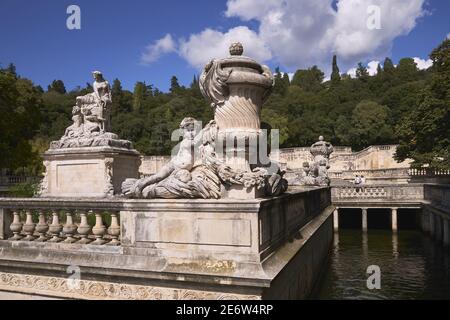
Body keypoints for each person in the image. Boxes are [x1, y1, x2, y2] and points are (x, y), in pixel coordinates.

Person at [122, 117, 196, 198]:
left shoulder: (192, 141)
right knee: (158, 177)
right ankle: (140, 186)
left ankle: (143, 187)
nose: (191, 133)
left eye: (193, 130)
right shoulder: (187, 142)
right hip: (174, 165)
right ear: (183, 131)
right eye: (188, 130)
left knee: (161, 180)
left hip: (179, 168)